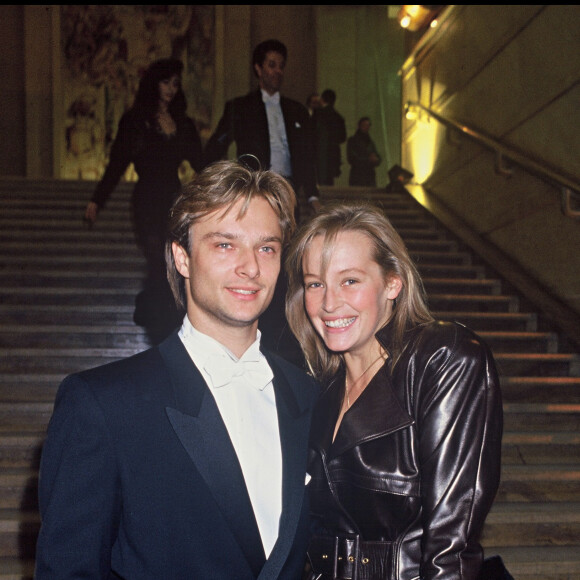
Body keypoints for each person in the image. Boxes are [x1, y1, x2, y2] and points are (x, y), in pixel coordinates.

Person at [35, 161, 320, 579]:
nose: (251, 267)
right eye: (225, 245)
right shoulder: (103, 404)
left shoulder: (310, 395)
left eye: (267, 248)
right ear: (181, 257)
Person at [285, 201, 504, 580]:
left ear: (392, 283)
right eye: (314, 284)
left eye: (350, 280)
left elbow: (451, 547)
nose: (329, 302)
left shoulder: (442, 359)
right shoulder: (317, 391)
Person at [84, 58, 203, 341]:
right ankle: (159, 323)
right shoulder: (135, 121)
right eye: (165, 82)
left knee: (172, 262)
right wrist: (97, 201)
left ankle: (166, 323)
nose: (171, 89)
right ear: (153, 84)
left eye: (175, 84)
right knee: (157, 257)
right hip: (147, 200)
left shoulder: (183, 123)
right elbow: (116, 165)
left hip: (174, 199)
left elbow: (202, 163)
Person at [203, 39, 320, 219]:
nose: (278, 71)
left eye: (281, 66)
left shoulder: (297, 111)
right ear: (258, 69)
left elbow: (305, 155)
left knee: (290, 242)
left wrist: (312, 196)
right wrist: (212, 182)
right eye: (272, 65)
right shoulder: (240, 107)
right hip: (255, 189)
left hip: (288, 191)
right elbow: (217, 145)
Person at [314, 89, 347, 186]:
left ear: (322, 99)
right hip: (333, 153)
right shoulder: (338, 117)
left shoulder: (317, 114)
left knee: (319, 180)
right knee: (329, 182)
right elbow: (343, 137)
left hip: (320, 152)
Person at [346, 116, 381, 186]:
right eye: (364, 125)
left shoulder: (370, 142)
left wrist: (376, 159)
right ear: (360, 126)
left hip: (369, 177)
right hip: (358, 176)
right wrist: (369, 159)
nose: (366, 127)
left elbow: (377, 156)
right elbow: (352, 158)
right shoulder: (353, 141)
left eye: (368, 125)